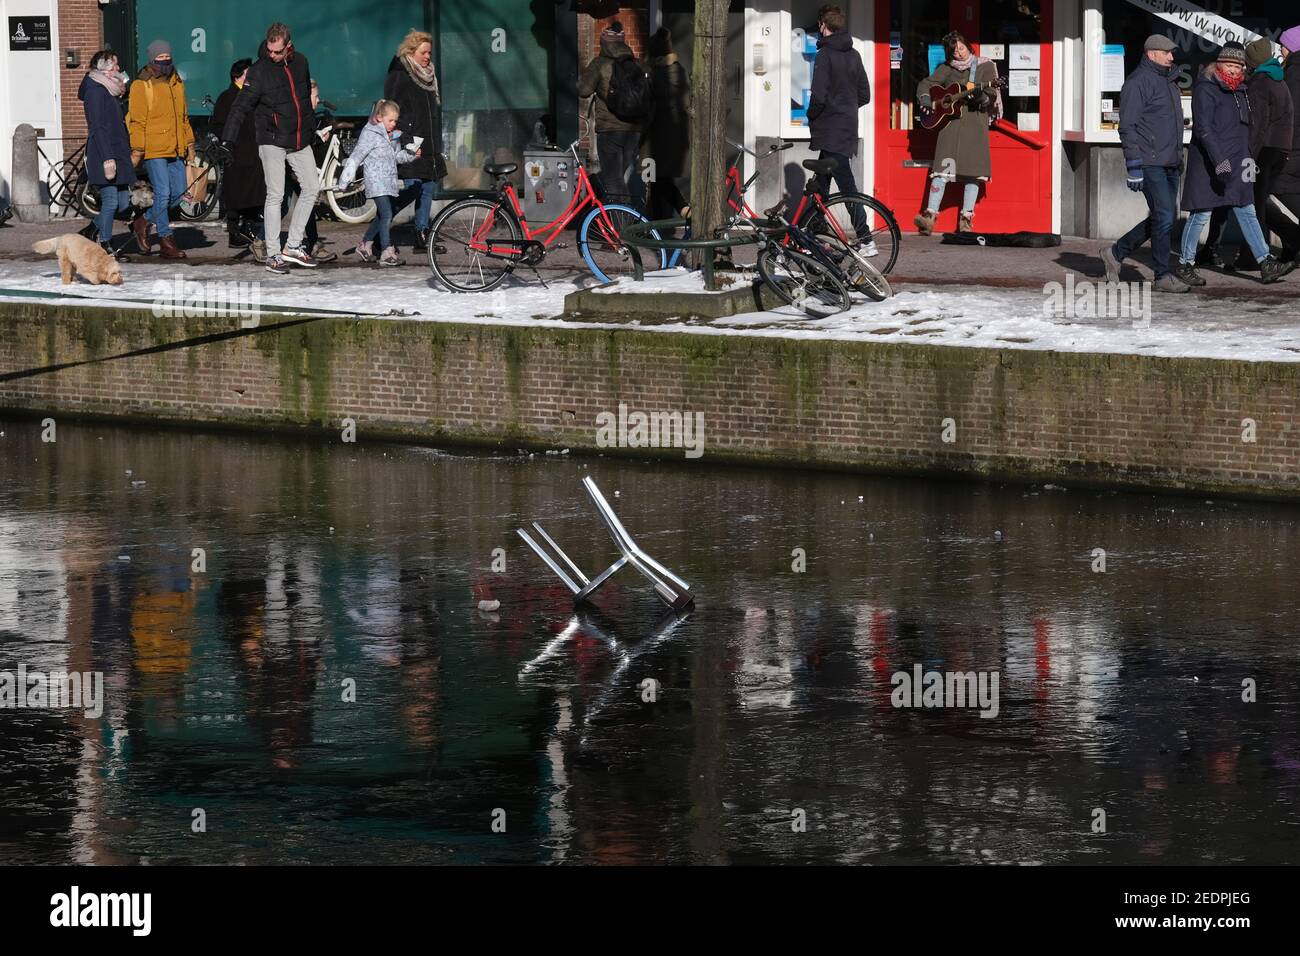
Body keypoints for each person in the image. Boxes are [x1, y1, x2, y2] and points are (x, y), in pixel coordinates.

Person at [1175, 42, 1287, 285]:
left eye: (1239, 66)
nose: (1235, 70)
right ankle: (1185, 263)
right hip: (1210, 163)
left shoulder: (1242, 90)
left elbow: (1247, 129)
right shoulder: (1206, 89)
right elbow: (1204, 130)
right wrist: (1220, 161)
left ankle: (1265, 261)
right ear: (1219, 64)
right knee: (1201, 213)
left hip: (1239, 162)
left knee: (1247, 210)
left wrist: (1249, 157)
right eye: (1230, 64)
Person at [219, 22, 320, 274]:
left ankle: (293, 246)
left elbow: (305, 99)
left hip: (298, 137)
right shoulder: (259, 71)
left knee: (312, 188)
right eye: (270, 50)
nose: (272, 55)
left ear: (288, 46)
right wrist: (227, 140)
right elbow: (241, 106)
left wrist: (311, 130)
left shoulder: (301, 62)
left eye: (278, 51)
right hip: (271, 138)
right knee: (275, 194)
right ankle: (273, 253)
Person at [1101, 34, 1188, 292]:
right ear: (1152, 54)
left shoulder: (1168, 82)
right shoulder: (1137, 83)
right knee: (1164, 216)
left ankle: (1116, 253)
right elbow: (1127, 127)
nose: (1172, 57)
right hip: (1150, 162)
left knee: (1165, 217)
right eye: (1167, 53)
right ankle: (1162, 275)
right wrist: (1134, 166)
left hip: (1170, 161)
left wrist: (1178, 157)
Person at [914, 30, 1000, 234]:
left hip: (974, 126)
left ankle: (966, 220)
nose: (959, 53)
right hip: (950, 125)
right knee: (942, 171)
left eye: (961, 48)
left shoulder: (985, 65)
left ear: (968, 46)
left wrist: (980, 97)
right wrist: (926, 99)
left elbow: (991, 94)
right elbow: (926, 83)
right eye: (954, 51)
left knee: (973, 174)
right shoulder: (947, 68)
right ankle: (929, 217)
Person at [126, 39, 194, 259]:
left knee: (180, 192)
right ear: (152, 58)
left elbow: (183, 117)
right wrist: (137, 149)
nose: (165, 60)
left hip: (175, 147)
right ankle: (166, 239)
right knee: (163, 194)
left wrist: (189, 144)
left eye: (167, 56)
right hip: (154, 148)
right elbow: (136, 121)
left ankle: (143, 221)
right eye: (160, 57)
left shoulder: (176, 80)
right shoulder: (141, 84)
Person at [808, 5, 870, 236]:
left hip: (830, 130)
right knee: (820, 184)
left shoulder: (825, 55)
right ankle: (814, 229)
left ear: (824, 26)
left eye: (819, 25)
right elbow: (864, 95)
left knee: (847, 187)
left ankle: (865, 238)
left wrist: (812, 115)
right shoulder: (854, 55)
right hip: (845, 129)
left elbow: (819, 96)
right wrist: (846, 109)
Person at [339, 99, 422, 266]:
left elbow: (396, 157)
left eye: (395, 121)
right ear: (379, 118)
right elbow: (356, 156)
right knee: (387, 214)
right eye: (390, 120)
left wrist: (412, 154)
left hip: (388, 180)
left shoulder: (392, 136)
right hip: (376, 181)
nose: (393, 124)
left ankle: (365, 245)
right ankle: (386, 251)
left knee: (383, 214)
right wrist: (344, 180)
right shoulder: (370, 134)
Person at [577, 20, 650, 208]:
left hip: (609, 131)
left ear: (603, 43)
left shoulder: (600, 63)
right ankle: (624, 220)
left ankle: (620, 230)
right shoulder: (636, 65)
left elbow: (584, 90)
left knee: (613, 182)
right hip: (633, 131)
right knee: (620, 178)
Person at [384, 29, 445, 253]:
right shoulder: (400, 74)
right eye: (424, 52)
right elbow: (393, 109)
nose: (428, 57)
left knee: (427, 187)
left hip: (427, 138)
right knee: (413, 189)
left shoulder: (428, 74)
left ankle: (422, 233)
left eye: (429, 52)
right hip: (410, 138)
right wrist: (406, 137)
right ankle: (378, 230)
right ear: (411, 51)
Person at [78, 50, 135, 259]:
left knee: (123, 202)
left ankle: (91, 230)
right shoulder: (95, 91)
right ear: (105, 69)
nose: (119, 69)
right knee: (111, 201)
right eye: (115, 66)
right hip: (104, 153)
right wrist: (107, 158)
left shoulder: (110, 90)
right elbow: (98, 127)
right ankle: (105, 246)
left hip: (117, 150)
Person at [212, 58, 265, 251]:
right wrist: (228, 145)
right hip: (237, 152)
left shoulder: (250, 96)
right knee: (236, 194)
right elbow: (219, 125)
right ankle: (235, 232)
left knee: (253, 192)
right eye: (247, 75)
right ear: (238, 77)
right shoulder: (227, 97)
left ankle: (247, 228)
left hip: (252, 151)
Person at [645, 27, 690, 222]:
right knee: (657, 179)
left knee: (657, 179)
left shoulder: (656, 75)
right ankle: (657, 224)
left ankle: (682, 210)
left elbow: (649, 105)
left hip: (658, 135)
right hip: (675, 135)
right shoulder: (679, 70)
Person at [1267, 25, 1300, 266]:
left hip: (1291, 147)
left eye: (1284, 44)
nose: (1281, 48)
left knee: (1275, 188)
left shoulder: (1294, 73)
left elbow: (1290, 116)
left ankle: (1294, 240)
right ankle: (1291, 246)